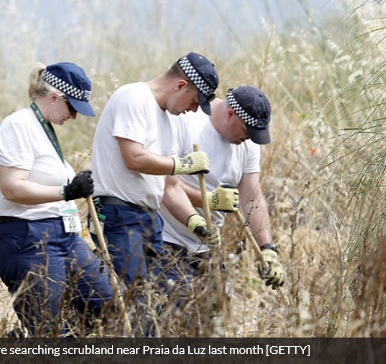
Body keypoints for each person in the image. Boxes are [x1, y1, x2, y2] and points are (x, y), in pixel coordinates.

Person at [0, 62, 114, 337]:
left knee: (106, 304)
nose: (74, 117)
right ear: (55, 97)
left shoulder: (44, 130)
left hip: (65, 237)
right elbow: (13, 188)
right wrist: (66, 192)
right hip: (29, 237)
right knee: (51, 330)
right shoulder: (19, 125)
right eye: (73, 109)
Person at [90, 52, 220, 288]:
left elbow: (169, 186)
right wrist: (184, 165)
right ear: (181, 85)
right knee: (134, 298)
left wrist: (195, 222)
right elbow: (134, 157)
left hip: (149, 218)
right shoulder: (134, 97)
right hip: (119, 214)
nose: (192, 110)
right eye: (193, 102)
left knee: (156, 298)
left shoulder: (168, 121)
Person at [159, 85, 286, 289]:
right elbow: (165, 182)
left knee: (218, 313)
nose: (250, 138)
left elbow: (252, 197)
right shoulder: (186, 120)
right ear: (230, 114)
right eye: (248, 130)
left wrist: (267, 248)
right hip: (167, 239)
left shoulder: (248, 143)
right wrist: (209, 200)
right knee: (175, 314)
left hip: (207, 245)